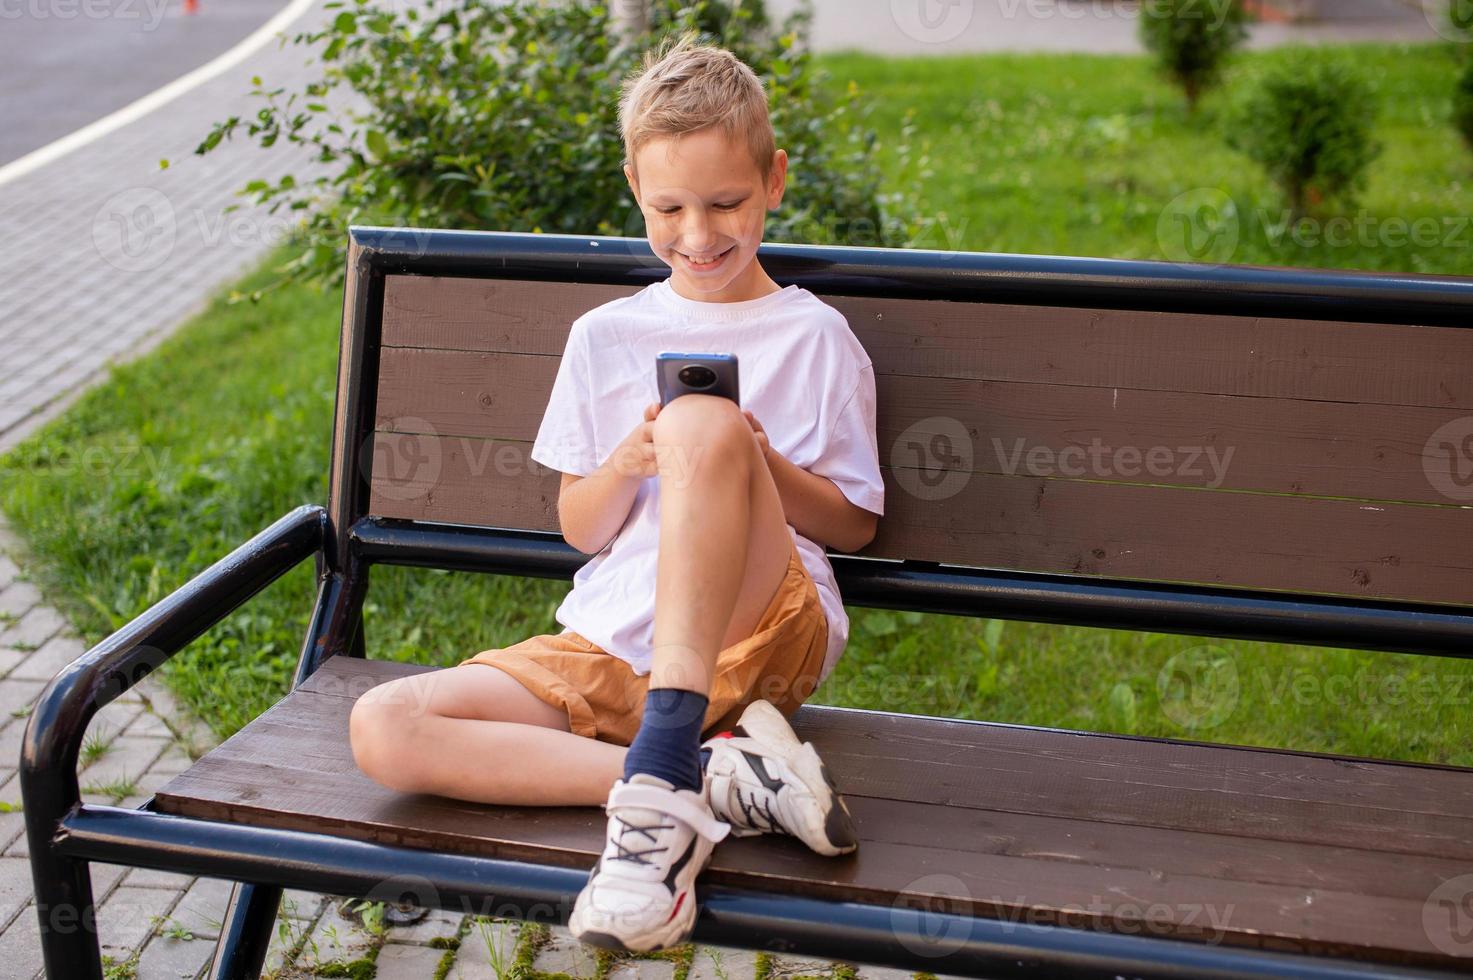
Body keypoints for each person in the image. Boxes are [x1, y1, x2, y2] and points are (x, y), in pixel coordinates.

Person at [348, 30, 885, 953]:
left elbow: (856, 525)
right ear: (636, 189)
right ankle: (702, 780)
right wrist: (629, 462)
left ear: (774, 180)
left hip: (759, 629)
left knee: (705, 422)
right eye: (670, 206)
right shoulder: (606, 334)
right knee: (386, 725)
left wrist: (749, 458)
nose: (699, 234)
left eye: (726, 202)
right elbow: (580, 527)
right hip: (609, 639)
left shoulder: (814, 336)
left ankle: (665, 774)